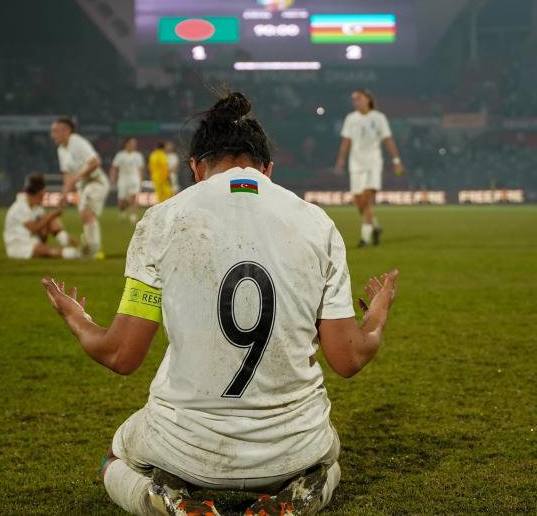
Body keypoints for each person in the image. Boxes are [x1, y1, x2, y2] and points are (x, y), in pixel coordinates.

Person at [42, 91, 398, 516]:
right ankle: (301, 495)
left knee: (116, 460)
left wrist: (76, 317)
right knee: (328, 460)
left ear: (196, 167)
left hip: (185, 446)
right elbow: (348, 358)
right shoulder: (317, 222)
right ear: (267, 168)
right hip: (293, 445)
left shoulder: (162, 219)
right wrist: (377, 314)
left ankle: (170, 503)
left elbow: (121, 354)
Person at [335, 89, 404, 247]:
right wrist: (341, 159)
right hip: (356, 164)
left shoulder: (379, 118)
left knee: (366, 199)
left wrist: (396, 160)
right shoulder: (351, 119)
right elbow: (346, 141)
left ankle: (365, 238)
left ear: (367, 99)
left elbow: (388, 140)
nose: (356, 102)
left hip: (373, 163)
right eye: (353, 99)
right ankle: (376, 227)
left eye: (358, 98)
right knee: (359, 202)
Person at [50, 117, 110, 258]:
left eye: (56, 131)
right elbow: (67, 175)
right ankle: (91, 247)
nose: (53, 135)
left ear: (67, 130)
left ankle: (93, 249)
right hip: (83, 186)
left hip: (96, 181)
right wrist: (64, 195)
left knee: (86, 212)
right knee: (84, 216)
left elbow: (95, 162)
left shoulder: (77, 142)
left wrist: (79, 176)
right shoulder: (61, 150)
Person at [3, 173, 81, 259]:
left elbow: (48, 223)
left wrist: (51, 217)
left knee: (50, 219)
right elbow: (34, 228)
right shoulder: (20, 207)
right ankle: (77, 254)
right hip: (19, 246)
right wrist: (52, 215)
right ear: (40, 193)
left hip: (33, 240)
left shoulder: (36, 208)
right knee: (45, 250)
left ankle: (79, 247)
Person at [110, 138, 145, 224]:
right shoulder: (120, 155)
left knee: (133, 197)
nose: (133, 145)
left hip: (134, 179)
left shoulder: (138, 156)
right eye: (132, 143)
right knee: (122, 201)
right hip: (123, 179)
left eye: (134, 143)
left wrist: (141, 180)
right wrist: (113, 178)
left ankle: (133, 216)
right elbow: (114, 168)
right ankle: (122, 212)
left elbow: (141, 169)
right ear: (126, 144)